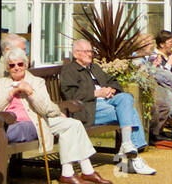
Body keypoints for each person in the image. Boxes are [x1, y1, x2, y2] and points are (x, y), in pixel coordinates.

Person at [0, 49, 110, 184]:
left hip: (39, 119)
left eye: (20, 64)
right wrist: (12, 92)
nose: (16, 68)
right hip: (18, 123)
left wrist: (31, 93)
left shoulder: (36, 82)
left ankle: (82, 171)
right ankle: (72, 174)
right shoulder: (2, 83)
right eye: (12, 65)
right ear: (8, 68)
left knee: (73, 124)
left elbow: (44, 109)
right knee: (69, 126)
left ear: (25, 65)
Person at [59, 38, 156, 175]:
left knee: (126, 98)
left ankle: (127, 144)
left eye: (91, 51)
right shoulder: (69, 70)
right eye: (86, 51)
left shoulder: (94, 68)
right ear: (75, 54)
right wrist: (96, 93)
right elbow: (70, 94)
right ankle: (133, 158)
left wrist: (111, 89)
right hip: (87, 107)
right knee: (129, 112)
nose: (90, 54)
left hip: (106, 101)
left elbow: (113, 81)